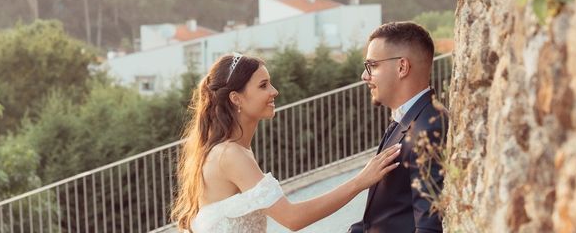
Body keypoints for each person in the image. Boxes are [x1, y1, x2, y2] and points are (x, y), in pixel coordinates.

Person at [172, 52, 402, 232]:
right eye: (263, 85)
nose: (274, 91)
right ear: (236, 98)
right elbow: (293, 218)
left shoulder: (233, 150)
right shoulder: (230, 155)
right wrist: (361, 180)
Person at [348, 21, 447, 233]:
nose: (364, 76)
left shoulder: (428, 129)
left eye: (372, 66)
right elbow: (385, 218)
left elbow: (429, 229)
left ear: (402, 67)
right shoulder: (407, 120)